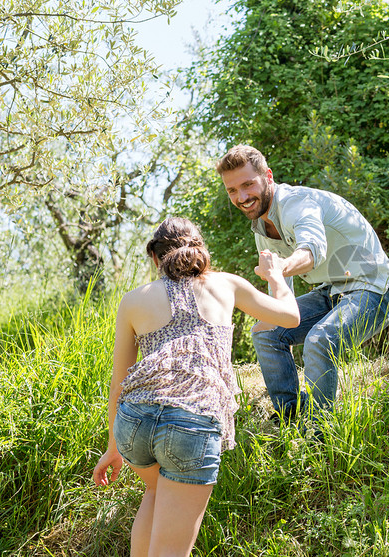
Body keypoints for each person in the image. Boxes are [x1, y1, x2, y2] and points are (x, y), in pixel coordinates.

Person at [92, 217, 299, 557]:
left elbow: (119, 381)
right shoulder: (227, 284)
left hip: (134, 423)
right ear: (200, 251)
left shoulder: (132, 300)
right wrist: (276, 276)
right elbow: (290, 317)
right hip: (192, 423)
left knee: (157, 493)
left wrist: (113, 446)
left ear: (156, 258)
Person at [216, 144, 389, 423]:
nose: (242, 197)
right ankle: (290, 415)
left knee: (319, 340)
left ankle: (320, 430)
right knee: (265, 333)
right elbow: (281, 297)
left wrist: (280, 268)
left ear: (267, 176)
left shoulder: (296, 204)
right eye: (232, 190)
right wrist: (272, 314)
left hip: (374, 290)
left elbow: (312, 250)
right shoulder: (262, 228)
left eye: (248, 184)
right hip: (332, 292)